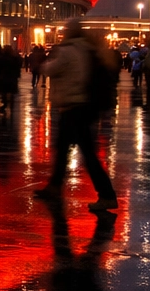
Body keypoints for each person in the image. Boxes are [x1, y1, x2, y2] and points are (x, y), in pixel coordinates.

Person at [36, 20, 118, 213]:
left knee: (87, 153)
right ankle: (55, 186)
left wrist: (43, 62)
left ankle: (107, 195)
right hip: (84, 105)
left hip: (73, 106)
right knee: (64, 148)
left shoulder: (68, 50)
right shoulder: (88, 49)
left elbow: (49, 69)